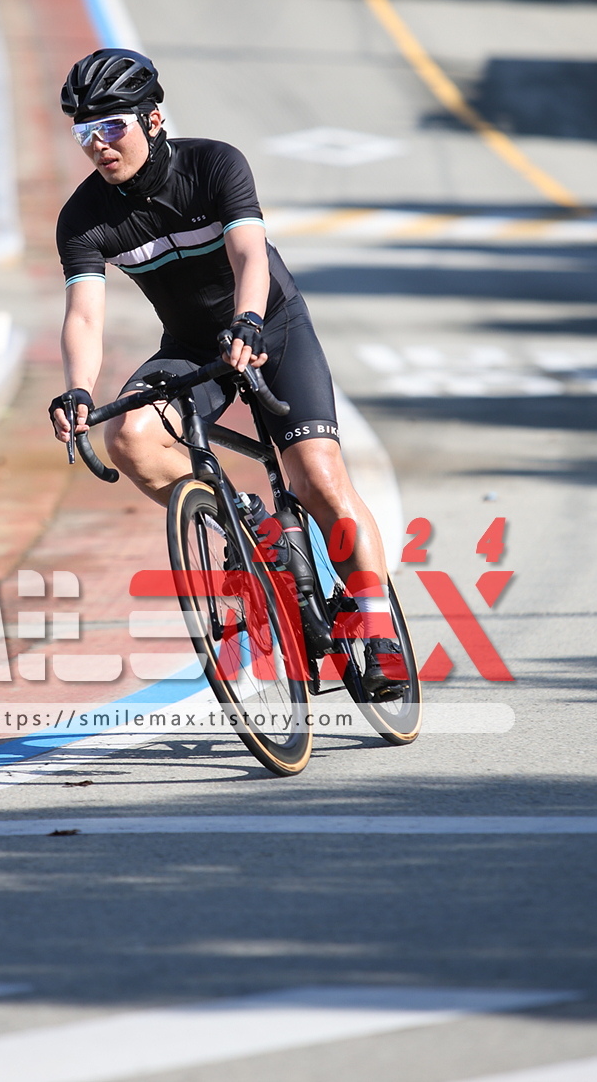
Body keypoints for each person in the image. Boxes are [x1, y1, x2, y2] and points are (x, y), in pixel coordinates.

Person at [47, 48, 405, 698]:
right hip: (191, 346)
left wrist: (247, 321)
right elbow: (84, 316)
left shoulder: (214, 164)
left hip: (271, 326)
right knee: (128, 437)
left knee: (318, 477)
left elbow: (248, 256)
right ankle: (245, 522)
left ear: (153, 119)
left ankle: (378, 627)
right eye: (85, 133)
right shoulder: (83, 218)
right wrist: (78, 389)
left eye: (112, 126)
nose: (98, 145)